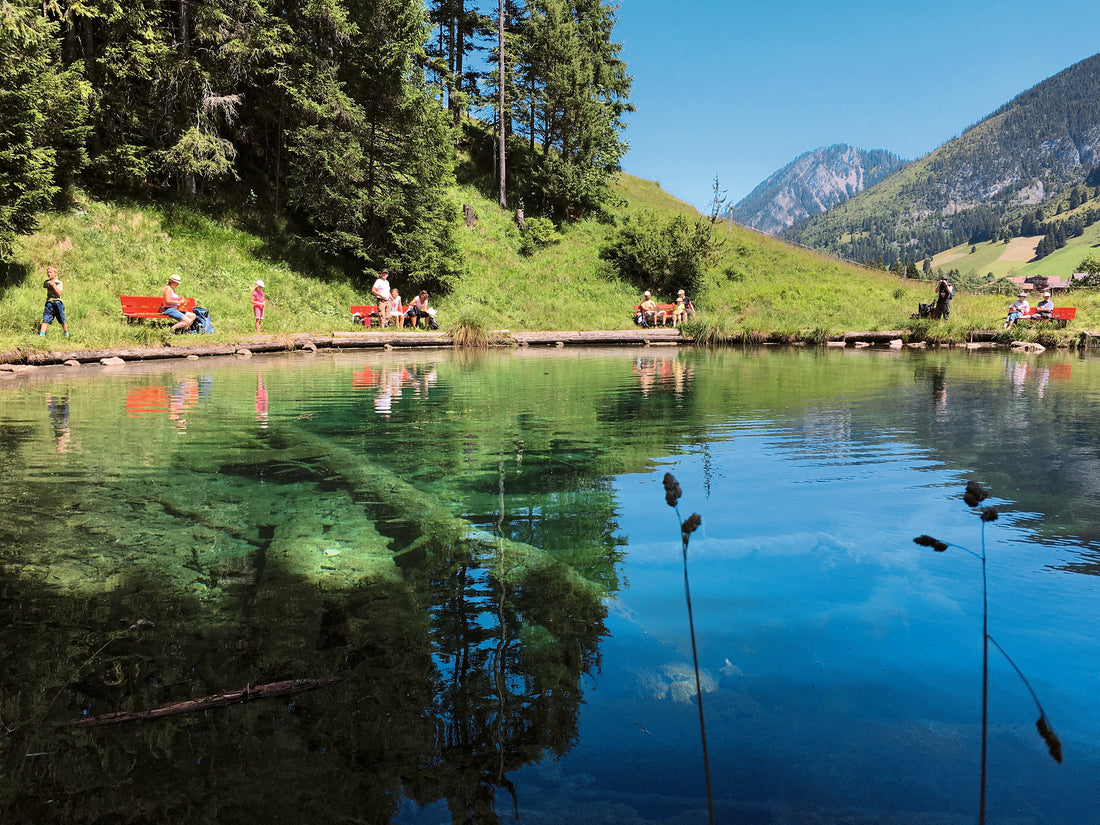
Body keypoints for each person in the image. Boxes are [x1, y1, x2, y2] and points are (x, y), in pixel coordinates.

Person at [39, 266, 69, 337]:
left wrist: (54, 285)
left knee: (61, 319)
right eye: (48, 272)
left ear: (55, 273)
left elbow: (59, 294)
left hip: (58, 303)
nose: (49, 274)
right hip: (49, 303)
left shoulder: (59, 283)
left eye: (51, 272)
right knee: (45, 319)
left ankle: (66, 334)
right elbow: (45, 285)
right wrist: (50, 283)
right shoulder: (46, 282)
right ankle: (41, 335)